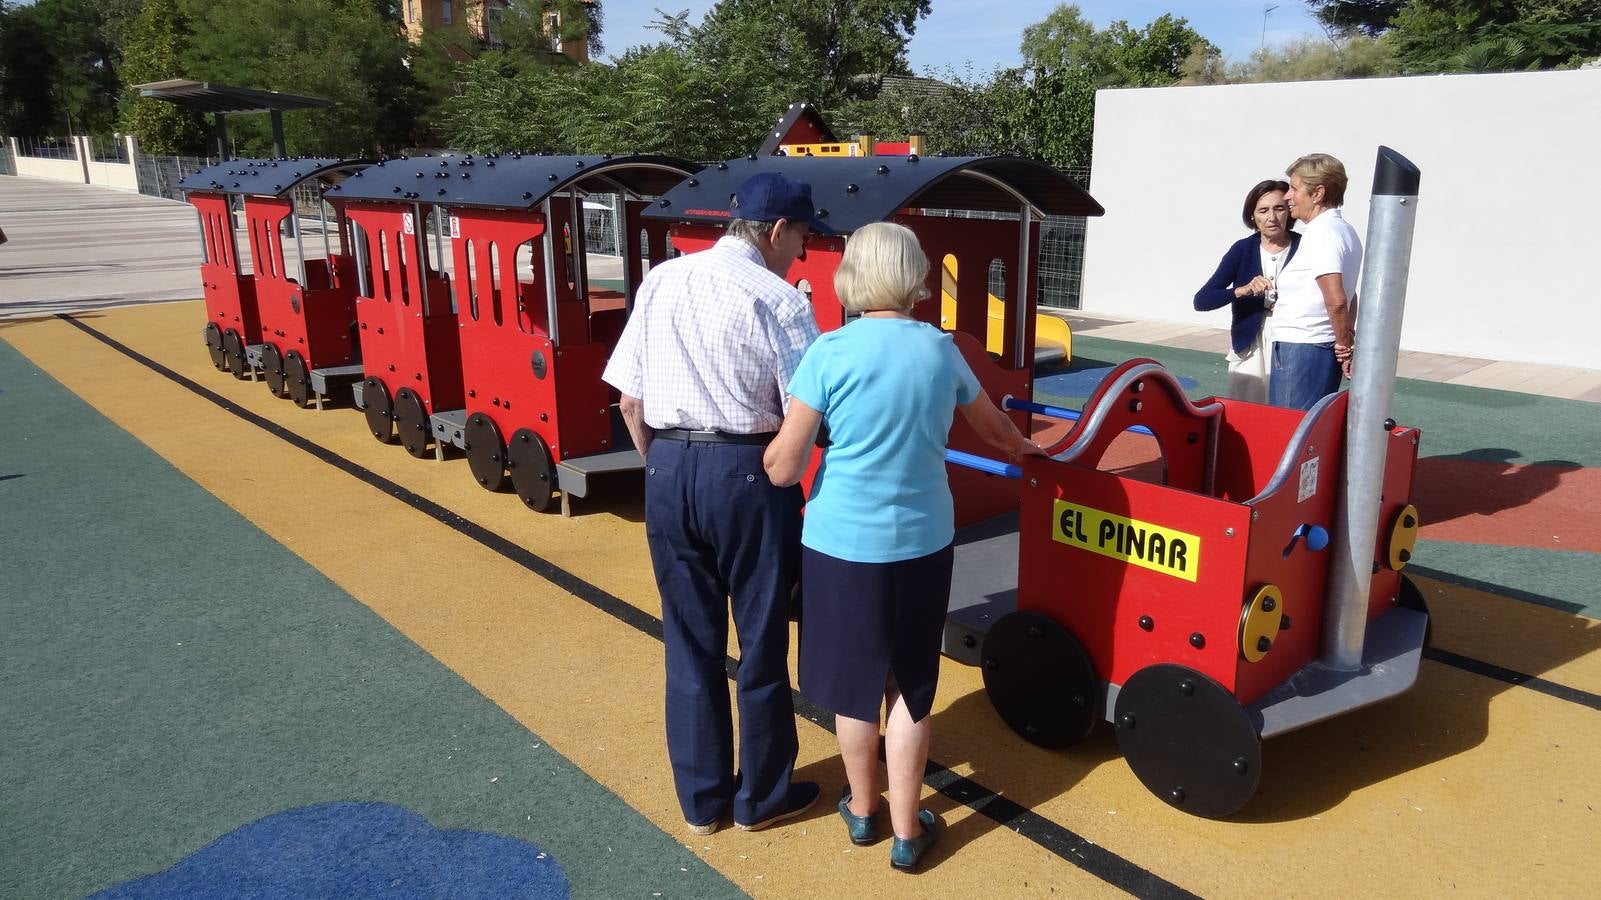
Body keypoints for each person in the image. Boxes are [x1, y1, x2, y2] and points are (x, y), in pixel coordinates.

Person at [762, 222, 1043, 872]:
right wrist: (1026, 451)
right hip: (921, 540)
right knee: (910, 686)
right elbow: (998, 431)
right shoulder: (939, 351)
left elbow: (784, 466)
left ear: (853, 277)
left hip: (839, 544)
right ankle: (905, 830)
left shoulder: (829, 352)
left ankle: (860, 810)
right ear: (913, 276)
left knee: (854, 687)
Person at [602, 172, 826, 836]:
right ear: (777, 231)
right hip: (746, 470)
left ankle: (701, 803)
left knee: (688, 639)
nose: (802, 252)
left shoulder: (661, 280)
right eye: (803, 236)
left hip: (668, 465)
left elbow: (629, 400)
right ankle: (761, 798)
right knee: (759, 639)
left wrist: (666, 465)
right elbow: (804, 412)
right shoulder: (780, 301)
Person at [1193, 179, 1300, 403]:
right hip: (1249, 343)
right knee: (1246, 412)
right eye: (1263, 210)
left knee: (1287, 411)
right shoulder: (1242, 249)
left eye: (1279, 208)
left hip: (1292, 341)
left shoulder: (1305, 246)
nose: (1272, 217)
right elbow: (1202, 300)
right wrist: (1240, 291)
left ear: (1289, 211)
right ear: (1253, 216)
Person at [1271, 153, 1363, 410]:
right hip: (1312, 347)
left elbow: (1337, 299)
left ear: (1318, 193)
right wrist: (1346, 338)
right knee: (1304, 431)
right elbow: (1350, 294)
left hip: (1303, 348)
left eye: (1294, 188)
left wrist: (1344, 344)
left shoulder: (1323, 233)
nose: (1287, 196)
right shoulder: (1342, 231)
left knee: (1291, 430)